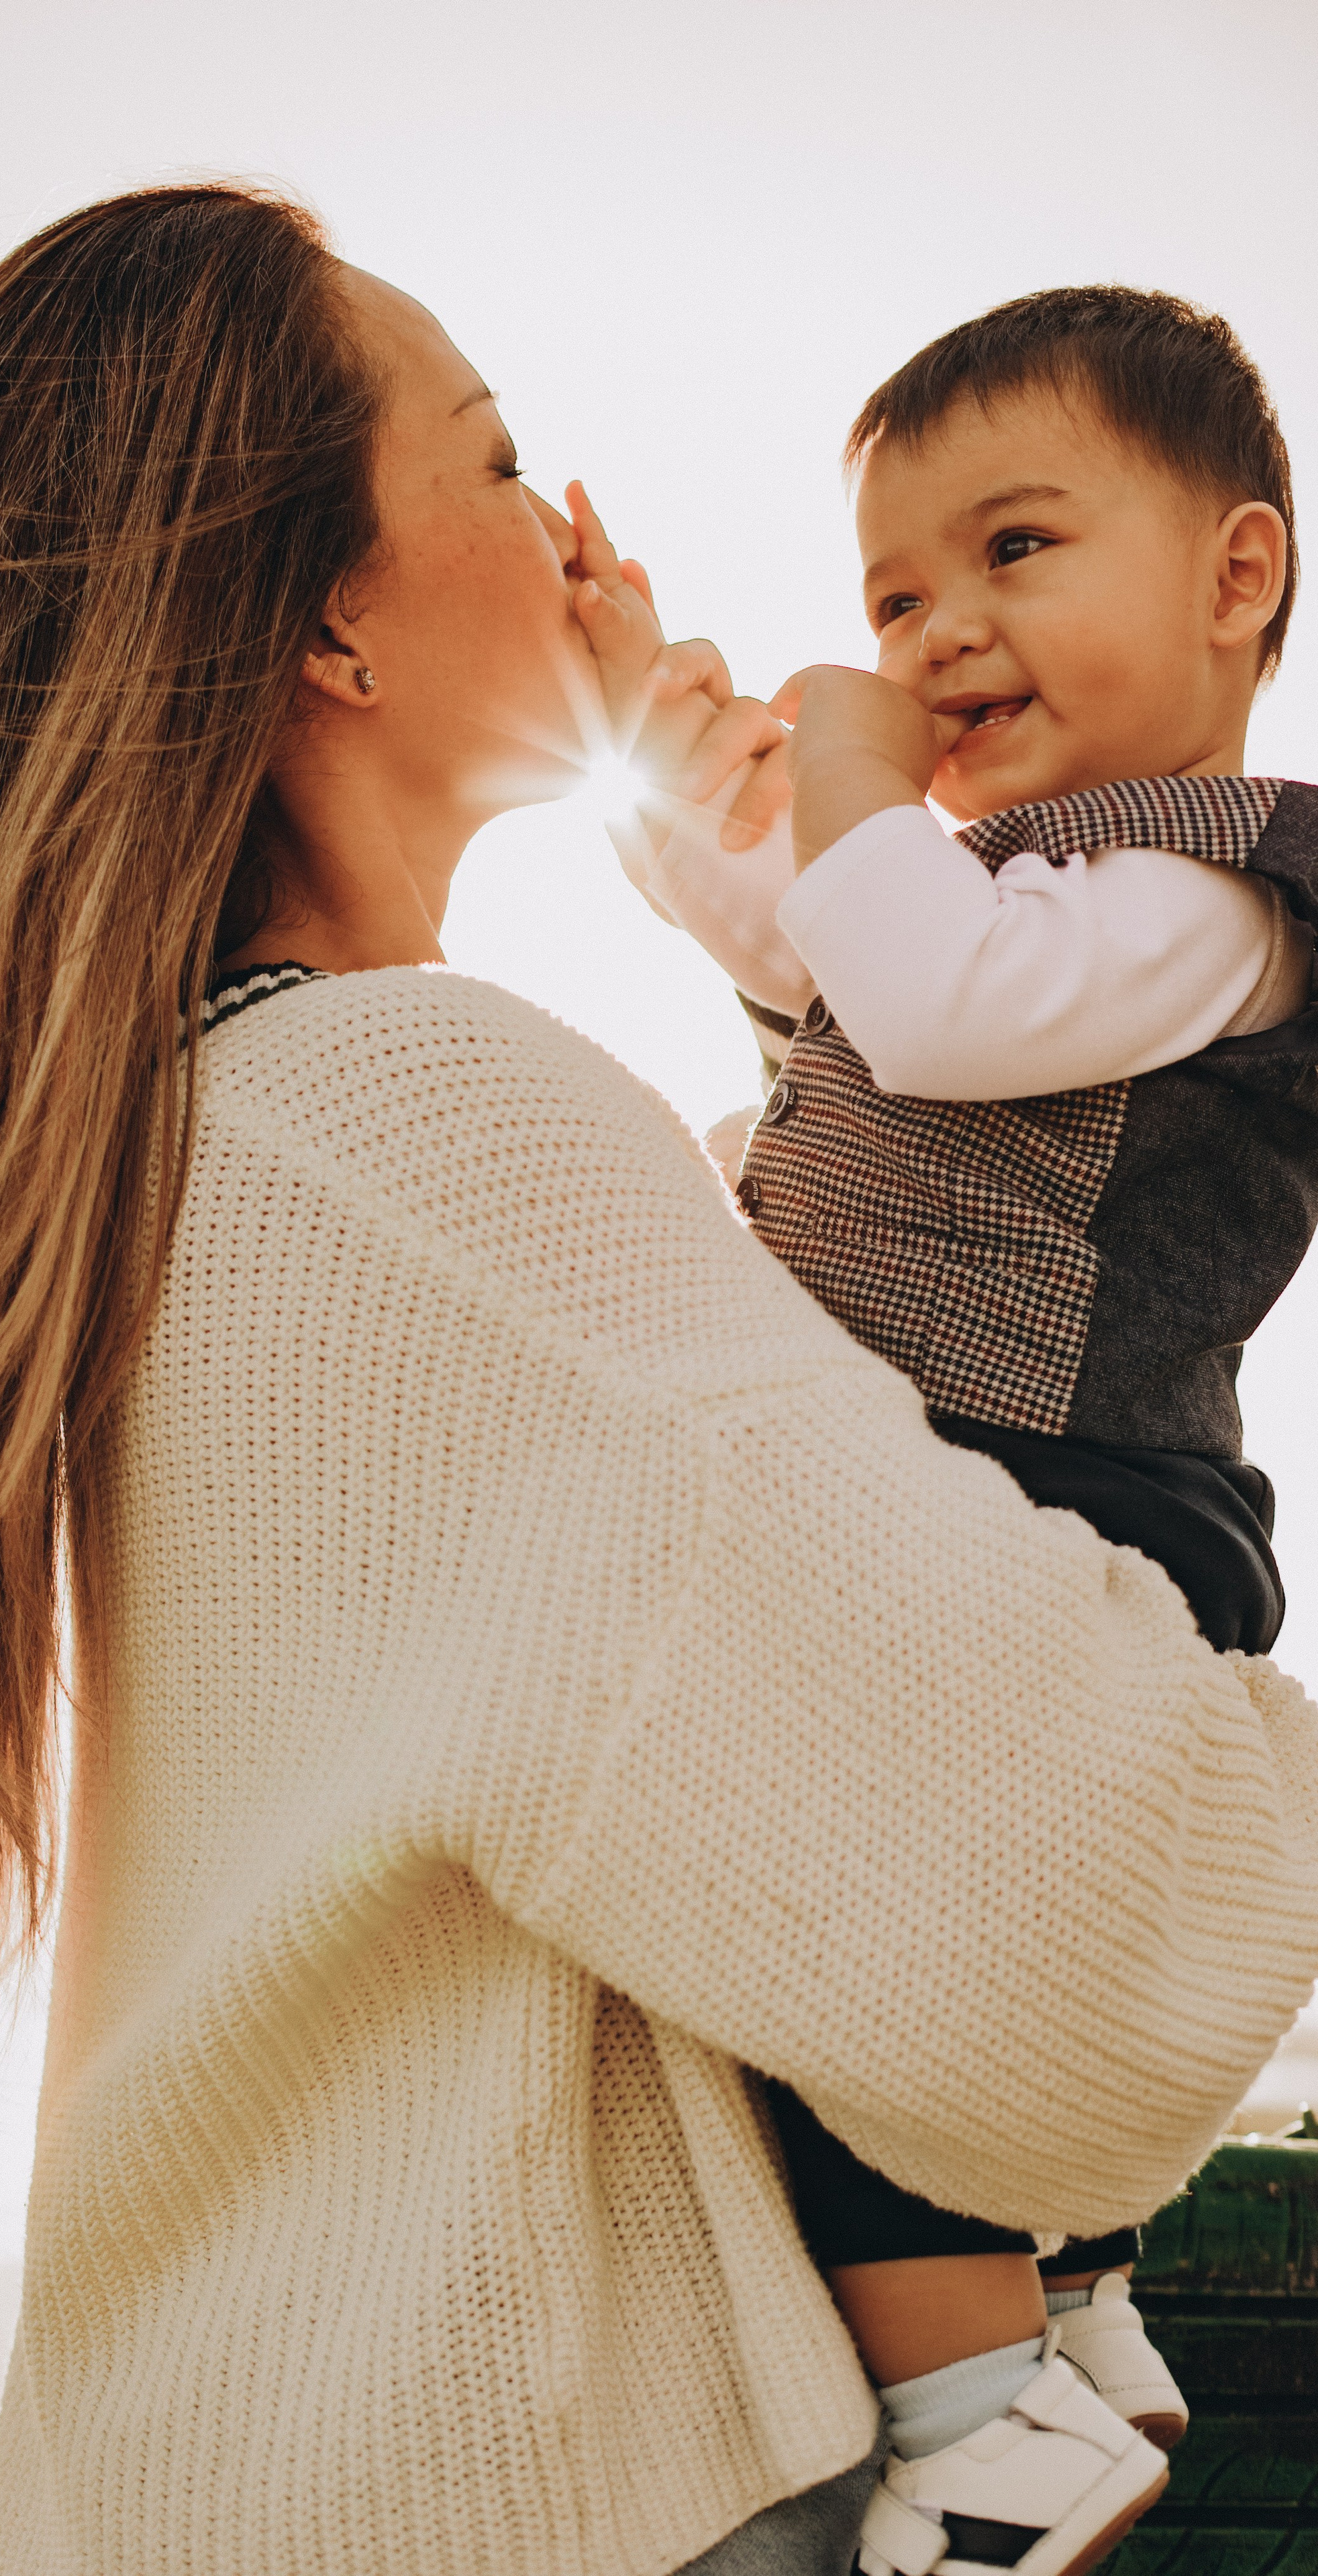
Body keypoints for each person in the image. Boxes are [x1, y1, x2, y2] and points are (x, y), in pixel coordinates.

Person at [0, 192, 1318, 2576]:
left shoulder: (193, 1144)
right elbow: (1082, 1919)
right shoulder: (435, 1139)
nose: (569, 526)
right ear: (331, 618)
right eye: (495, 454)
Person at [590, 286, 1317, 2573]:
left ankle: (987, 2412)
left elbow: (918, 986)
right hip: (971, 1493)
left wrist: (855, 787)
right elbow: (792, 923)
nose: (941, 632)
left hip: (1074, 1492)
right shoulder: (986, 881)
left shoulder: (1225, 892)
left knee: (866, 1931)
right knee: (926, 1921)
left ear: (1234, 575)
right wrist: (641, 717)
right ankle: (1080, 2316)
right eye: (898, 592)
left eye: (1016, 551)